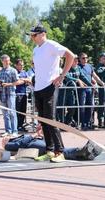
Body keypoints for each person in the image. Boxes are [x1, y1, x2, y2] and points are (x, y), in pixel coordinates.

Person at [28, 24, 74, 162]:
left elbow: (70, 56)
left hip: (50, 86)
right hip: (38, 88)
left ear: (42, 34)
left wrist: (62, 76)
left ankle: (60, 151)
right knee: (43, 120)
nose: (32, 37)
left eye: (34, 35)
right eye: (31, 35)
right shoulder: (36, 49)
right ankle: (49, 150)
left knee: (50, 119)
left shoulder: (51, 45)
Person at [0, 55, 24, 137]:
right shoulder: (0, 71)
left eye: (8, 60)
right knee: (5, 113)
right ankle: (7, 130)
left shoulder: (13, 70)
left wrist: (9, 84)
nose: (7, 62)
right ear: (2, 61)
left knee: (12, 112)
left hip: (11, 93)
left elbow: (18, 82)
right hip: (2, 93)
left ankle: (14, 131)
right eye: (5, 61)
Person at [78, 52, 105, 130]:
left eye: (86, 58)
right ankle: (82, 123)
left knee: (90, 106)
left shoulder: (89, 66)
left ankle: (87, 122)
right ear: (79, 59)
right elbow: (78, 77)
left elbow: (95, 76)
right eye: (83, 58)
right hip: (82, 89)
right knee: (82, 106)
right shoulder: (78, 67)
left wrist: (102, 83)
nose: (85, 59)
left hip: (90, 89)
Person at [63, 56, 92, 127]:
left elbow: (82, 77)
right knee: (68, 108)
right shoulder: (66, 68)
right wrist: (77, 80)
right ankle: (65, 122)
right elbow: (67, 77)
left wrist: (90, 85)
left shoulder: (78, 68)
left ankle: (71, 121)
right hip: (68, 92)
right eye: (74, 60)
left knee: (76, 107)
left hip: (76, 91)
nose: (76, 62)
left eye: (77, 60)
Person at [15, 59, 32, 131]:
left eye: (22, 65)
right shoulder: (14, 72)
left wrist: (22, 79)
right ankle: (16, 126)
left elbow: (29, 80)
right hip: (17, 94)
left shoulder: (24, 72)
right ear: (16, 65)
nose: (21, 66)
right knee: (17, 111)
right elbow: (16, 81)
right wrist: (24, 80)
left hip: (24, 94)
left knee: (23, 111)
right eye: (20, 65)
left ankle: (21, 125)